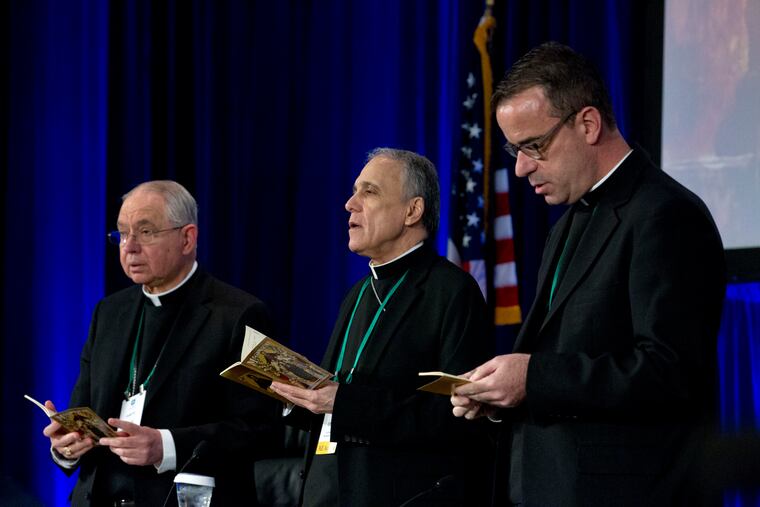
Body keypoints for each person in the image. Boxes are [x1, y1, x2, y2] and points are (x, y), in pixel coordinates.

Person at [451, 42, 726, 506]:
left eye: (533, 146)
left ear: (588, 124)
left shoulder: (666, 215)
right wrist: (502, 396)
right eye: (514, 150)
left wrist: (533, 378)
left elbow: (669, 373)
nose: (520, 168)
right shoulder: (567, 225)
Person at [270, 148, 493, 506]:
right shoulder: (357, 293)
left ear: (412, 211)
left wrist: (345, 402)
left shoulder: (452, 291)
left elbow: (458, 416)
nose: (349, 204)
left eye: (369, 191)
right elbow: (335, 398)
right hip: (325, 491)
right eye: (355, 190)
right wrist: (298, 396)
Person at [41, 180, 276, 506]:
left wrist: (167, 446)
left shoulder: (240, 314)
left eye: (146, 232)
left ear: (187, 238)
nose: (129, 246)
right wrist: (67, 446)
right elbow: (84, 412)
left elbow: (263, 429)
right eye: (122, 234)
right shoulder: (109, 312)